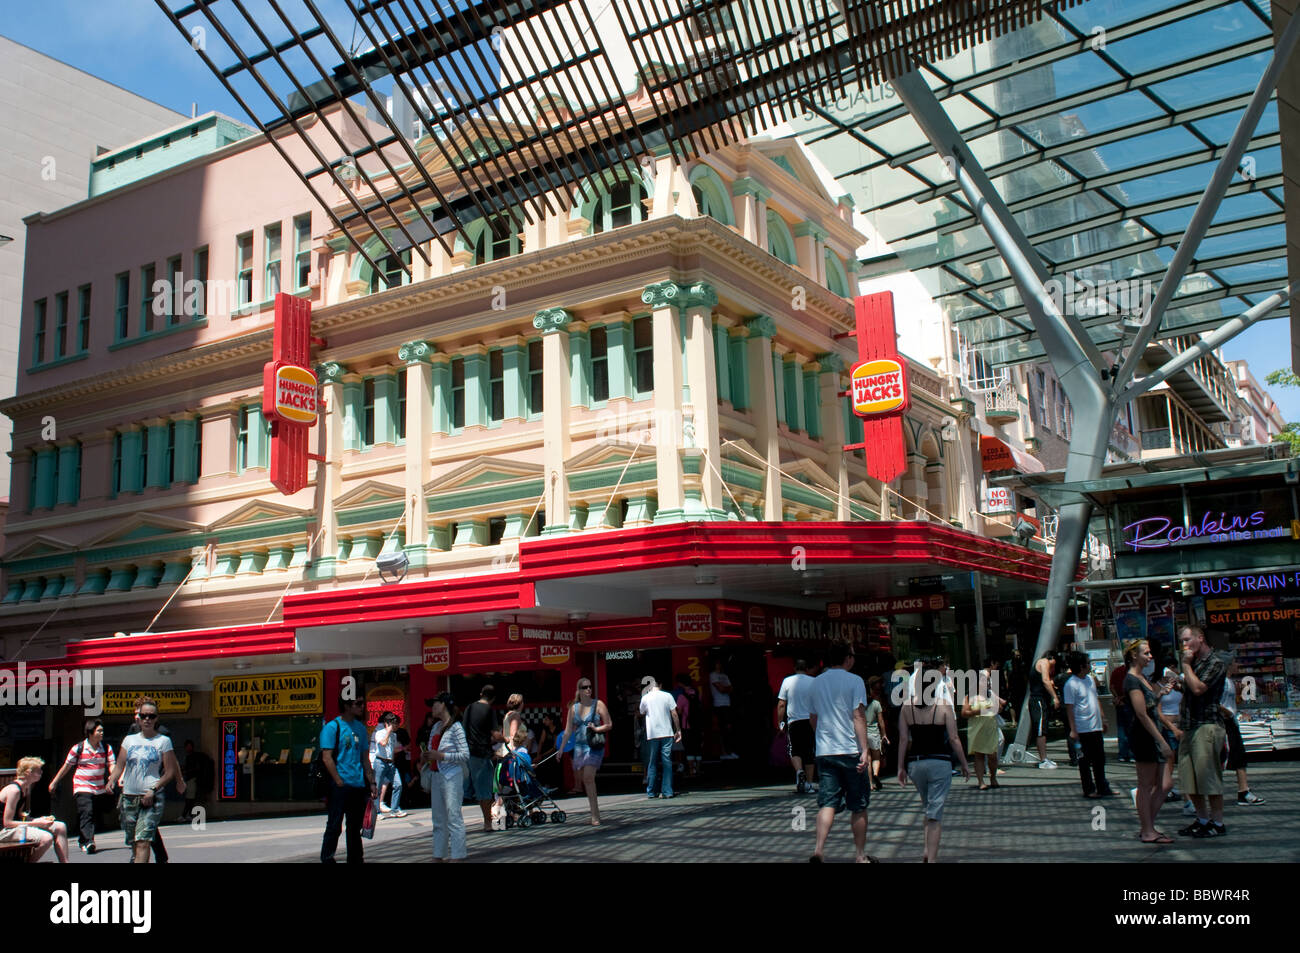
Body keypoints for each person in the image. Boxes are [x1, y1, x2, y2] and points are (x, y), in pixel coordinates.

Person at [806, 642, 873, 863]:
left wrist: (823, 739)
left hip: (825, 752)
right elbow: (858, 716)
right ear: (848, 658)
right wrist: (865, 749)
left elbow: (813, 718)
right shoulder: (855, 681)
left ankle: (818, 850)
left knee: (828, 802)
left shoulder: (816, 683)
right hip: (851, 750)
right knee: (859, 804)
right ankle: (860, 855)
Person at [898, 660, 970, 863]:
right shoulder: (944, 706)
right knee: (934, 815)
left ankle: (926, 850)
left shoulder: (906, 708)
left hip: (916, 763)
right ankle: (931, 859)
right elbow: (954, 739)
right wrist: (964, 763)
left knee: (927, 807)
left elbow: (904, 740)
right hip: (940, 762)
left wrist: (900, 767)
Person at [109, 697, 181, 864]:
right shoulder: (130, 738)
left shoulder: (163, 738)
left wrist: (177, 781)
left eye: (151, 716)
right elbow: (121, 763)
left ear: (156, 718)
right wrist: (112, 779)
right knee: (134, 840)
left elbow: (171, 765)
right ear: (138, 716)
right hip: (129, 795)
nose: (147, 719)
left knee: (143, 840)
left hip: (152, 793)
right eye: (143, 716)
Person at [1175, 625, 1229, 838]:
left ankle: (1217, 822)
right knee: (1190, 777)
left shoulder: (1214, 663)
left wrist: (1186, 666)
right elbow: (1190, 688)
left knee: (1208, 776)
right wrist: (1179, 683)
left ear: (1200, 638)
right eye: (1183, 641)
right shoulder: (1195, 663)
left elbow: (1199, 689)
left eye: (1188, 639)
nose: (1185, 645)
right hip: (1189, 725)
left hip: (1207, 724)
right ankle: (1203, 818)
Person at [1124, 640, 1175, 844]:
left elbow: (1149, 705)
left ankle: (1147, 825)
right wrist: (1162, 741)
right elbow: (1141, 714)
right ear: (1134, 656)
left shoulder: (1141, 678)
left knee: (1166, 784)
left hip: (1152, 735)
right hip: (1144, 737)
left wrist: (1160, 694)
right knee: (1145, 785)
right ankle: (1147, 830)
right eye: (1146, 653)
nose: (1150, 656)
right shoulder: (1131, 680)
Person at [318, 695, 376, 863]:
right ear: (346, 705)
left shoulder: (360, 728)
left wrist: (371, 782)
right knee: (334, 826)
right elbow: (326, 757)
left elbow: (365, 758)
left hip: (358, 784)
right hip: (340, 786)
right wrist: (338, 780)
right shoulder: (332, 727)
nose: (362, 707)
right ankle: (327, 858)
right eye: (358, 703)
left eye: (362, 703)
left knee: (354, 827)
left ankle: (356, 859)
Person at [47, 718, 115, 853]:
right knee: (87, 811)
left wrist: (113, 778)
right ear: (90, 732)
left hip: (99, 787)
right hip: (82, 785)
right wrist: (54, 782)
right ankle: (90, 842)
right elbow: (66, 767)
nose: (102, 733)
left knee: (92, 814)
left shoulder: (106, 748)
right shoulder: (78, 748)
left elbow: (112, 765)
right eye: (99, 731)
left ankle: (82, 839)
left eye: (102, 731)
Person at [560, 677, 612, 825]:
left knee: (588, 777)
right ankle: (594, 811)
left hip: (594, 746)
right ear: (579, 690)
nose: (588, 689)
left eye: (589, 687)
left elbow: (609, 724)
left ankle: (595, 815)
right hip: (579, 747)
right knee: (585, 780)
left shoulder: (599, 704)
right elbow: (568, 731)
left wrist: (597, 728)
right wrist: (561, 749)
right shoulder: (574, 708)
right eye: (585, 687)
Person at [424, 692, 468, 862]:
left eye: (435, 703)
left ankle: (458, 855)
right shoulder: (435, 727)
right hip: (436, 775)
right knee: (438, 819)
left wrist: (442, 756)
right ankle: (439, 854)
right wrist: (427, 755)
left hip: (451, 776)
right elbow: (430, 747)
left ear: (443, 705)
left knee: (453, 816)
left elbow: (465, 754)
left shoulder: (456, 727)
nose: (432, 707)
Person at [1, 757, 69, 862]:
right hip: (4, 831)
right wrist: (37, 824)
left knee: (60, 827)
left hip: (14, 828)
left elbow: (21, 816)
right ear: (28, 772)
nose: (42, 773)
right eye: (38, 771)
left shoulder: (26, 788)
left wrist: (39, 820)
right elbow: (7, 823)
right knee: (46, 838)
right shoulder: (14, 791)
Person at [1064, 652, 1112, 798]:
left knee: (1099, 759)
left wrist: (1103, 719)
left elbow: (1096, 699)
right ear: (1081, 665)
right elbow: (1070, 708)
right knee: (1084, 760)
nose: (1090, 664)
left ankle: (1102, 786)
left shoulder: (1090, 680)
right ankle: (1089, 789)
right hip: (1082, 727)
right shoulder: (1071, 684)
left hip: (1095, 726)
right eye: (1088, 662)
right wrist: (1073, 729)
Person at [1221, 661, 1264, 806]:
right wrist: (1228, 713)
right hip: (1225, 723)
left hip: (1231, 722)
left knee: (1239, 756)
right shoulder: (1222, 682)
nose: (1237, 665)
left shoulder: (1229, 681)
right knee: (1223, 757)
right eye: (1233, 663)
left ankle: (1243, 790)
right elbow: (1215, 702)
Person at [777, 659, 817, 794]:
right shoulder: (813, 681)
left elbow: (782, 704)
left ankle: (799, 771)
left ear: (794, 668)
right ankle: (810, 784)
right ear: (806, 668)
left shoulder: (787, 681)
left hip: (794, 721)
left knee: (795, 750)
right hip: (810, 720)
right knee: (809, 752)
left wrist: (780, 722)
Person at [640, 676, 682, 799]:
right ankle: (667, 791)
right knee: (666, 762)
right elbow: (674, 713)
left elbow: (642, 712)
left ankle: (651, 791)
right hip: (667, 732)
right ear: (660, 685)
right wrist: (678, 729)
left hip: (652, 734)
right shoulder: (668, 696)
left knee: (652, 763)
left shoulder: (645, 698)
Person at [463, 685, 498, 833]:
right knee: (485, 790)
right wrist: (505, 738)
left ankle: (487, 820)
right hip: (483, 753)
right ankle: (488, 823)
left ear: (481, 693)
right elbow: (496, 735)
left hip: (469, 753)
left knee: (475, 788)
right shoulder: (489, 710)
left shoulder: (469, 708)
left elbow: (464, 731)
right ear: (493, 698)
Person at [962, 664, 1001, 791]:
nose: (988, 683)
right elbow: (964, 713)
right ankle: (981, 781)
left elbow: (999, 709)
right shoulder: (970, 696)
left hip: (990, 729)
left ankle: (993, 777)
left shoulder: (991, 694)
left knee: (992, 755)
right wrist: (978, 711)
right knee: (978, 755)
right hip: (977, 729)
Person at [371, 713, 406, 818]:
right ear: (387, 723)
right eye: (393, 724)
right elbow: (383, 743)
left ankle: (394, 809)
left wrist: (402, 749)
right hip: (380, 762)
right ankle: (377, 811)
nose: (396, 726)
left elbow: (392, 749)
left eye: (397, 724)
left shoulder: (394, 735)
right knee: (377, 787)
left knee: (398, 784)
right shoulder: (379, 733)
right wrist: (388, 732)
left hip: (390, 763)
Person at [1028, 650, 1060, 768]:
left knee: (1043, 729)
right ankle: (1043, 760)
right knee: (1041, 730)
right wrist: (1055, 697)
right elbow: (1045, 680)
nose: (1053, 666)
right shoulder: (1044, 662)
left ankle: (1044, 758)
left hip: (1039, 700)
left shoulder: (1041, 664)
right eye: (1054, 663)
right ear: (1052, 658)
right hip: (1038, 700)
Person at [709, 658, 738, 759]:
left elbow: (731, 688)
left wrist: (725, 689)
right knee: (723, 729)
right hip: (719, 704)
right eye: (717, 663)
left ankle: (729, 751)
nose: (719, 665)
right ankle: (724, 752)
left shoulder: (725, 675)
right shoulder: (713, 675)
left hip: (727, 703)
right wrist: (725, 689)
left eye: (720, 663)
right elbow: (721, 689)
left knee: (729, 728)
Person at [864, 676, 888, 792]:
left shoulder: (860, 705)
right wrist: (884, 734)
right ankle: (875, 773)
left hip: (863, 733)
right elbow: (881, 721)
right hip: (874, 733)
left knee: (867, 758)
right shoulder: (876, 704)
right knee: (876, 757)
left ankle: (869, 783)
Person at [1109, 661, 1134, 762]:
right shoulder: (1131, 672)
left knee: (1121, 729)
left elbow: (1111, 687)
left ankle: (1122, 754)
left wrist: (1117, 697)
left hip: (1119, 703)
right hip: (1130, 702)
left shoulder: (1116, 671)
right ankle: (1132, 754)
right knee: (1131, 729)